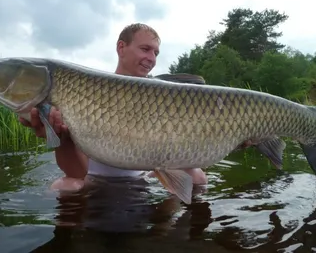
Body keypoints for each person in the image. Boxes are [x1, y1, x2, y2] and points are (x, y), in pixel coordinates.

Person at [19, 23, 208, 192]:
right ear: (121, 47)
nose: (151, 58)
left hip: (141, 179)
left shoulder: (165, 100)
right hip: (96, 181)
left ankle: (164, 226)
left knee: (197, 177)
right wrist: (61, 135)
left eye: (155, 53)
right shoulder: (85, 91)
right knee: (67, 186)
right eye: (145, 49)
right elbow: (76, 172)